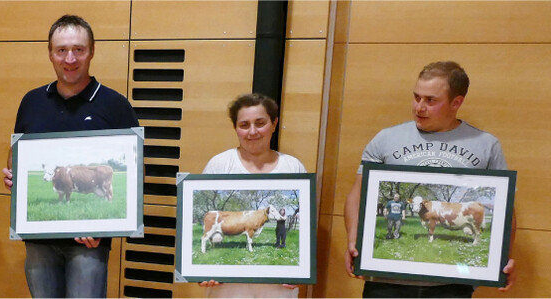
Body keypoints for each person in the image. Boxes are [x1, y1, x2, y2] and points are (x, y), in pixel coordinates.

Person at [343, 61, 516, 297]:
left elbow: (506, 209)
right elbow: (357, 195)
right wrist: (354, 239)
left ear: (456, 102)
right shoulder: (385, 139)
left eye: (430, 100)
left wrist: (504, 256)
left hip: (452, 284)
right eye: (416, 97)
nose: (419, 107)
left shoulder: (486, 146)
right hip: (385, 281)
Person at [0, 15, 138, 298]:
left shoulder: (116, 105)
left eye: (78, 49)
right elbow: (15, 154)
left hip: (89, 243)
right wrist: (13, 175)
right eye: (61, 50)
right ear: (50, 53)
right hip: (38, 240)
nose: (70, 58)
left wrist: (105, 228)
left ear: (92, 51)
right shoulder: (31, 102)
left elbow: (136, 174)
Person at [197, 93, 305, 297]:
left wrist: (301, 269)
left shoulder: (293, 167)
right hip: (227, 291)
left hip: (277, 291)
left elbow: (308, 229)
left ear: (274, 124)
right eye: (244, 125)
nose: (252, 132)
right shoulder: (219, 165)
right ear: (235, 128)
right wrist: (200, 271)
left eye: (260, 123)